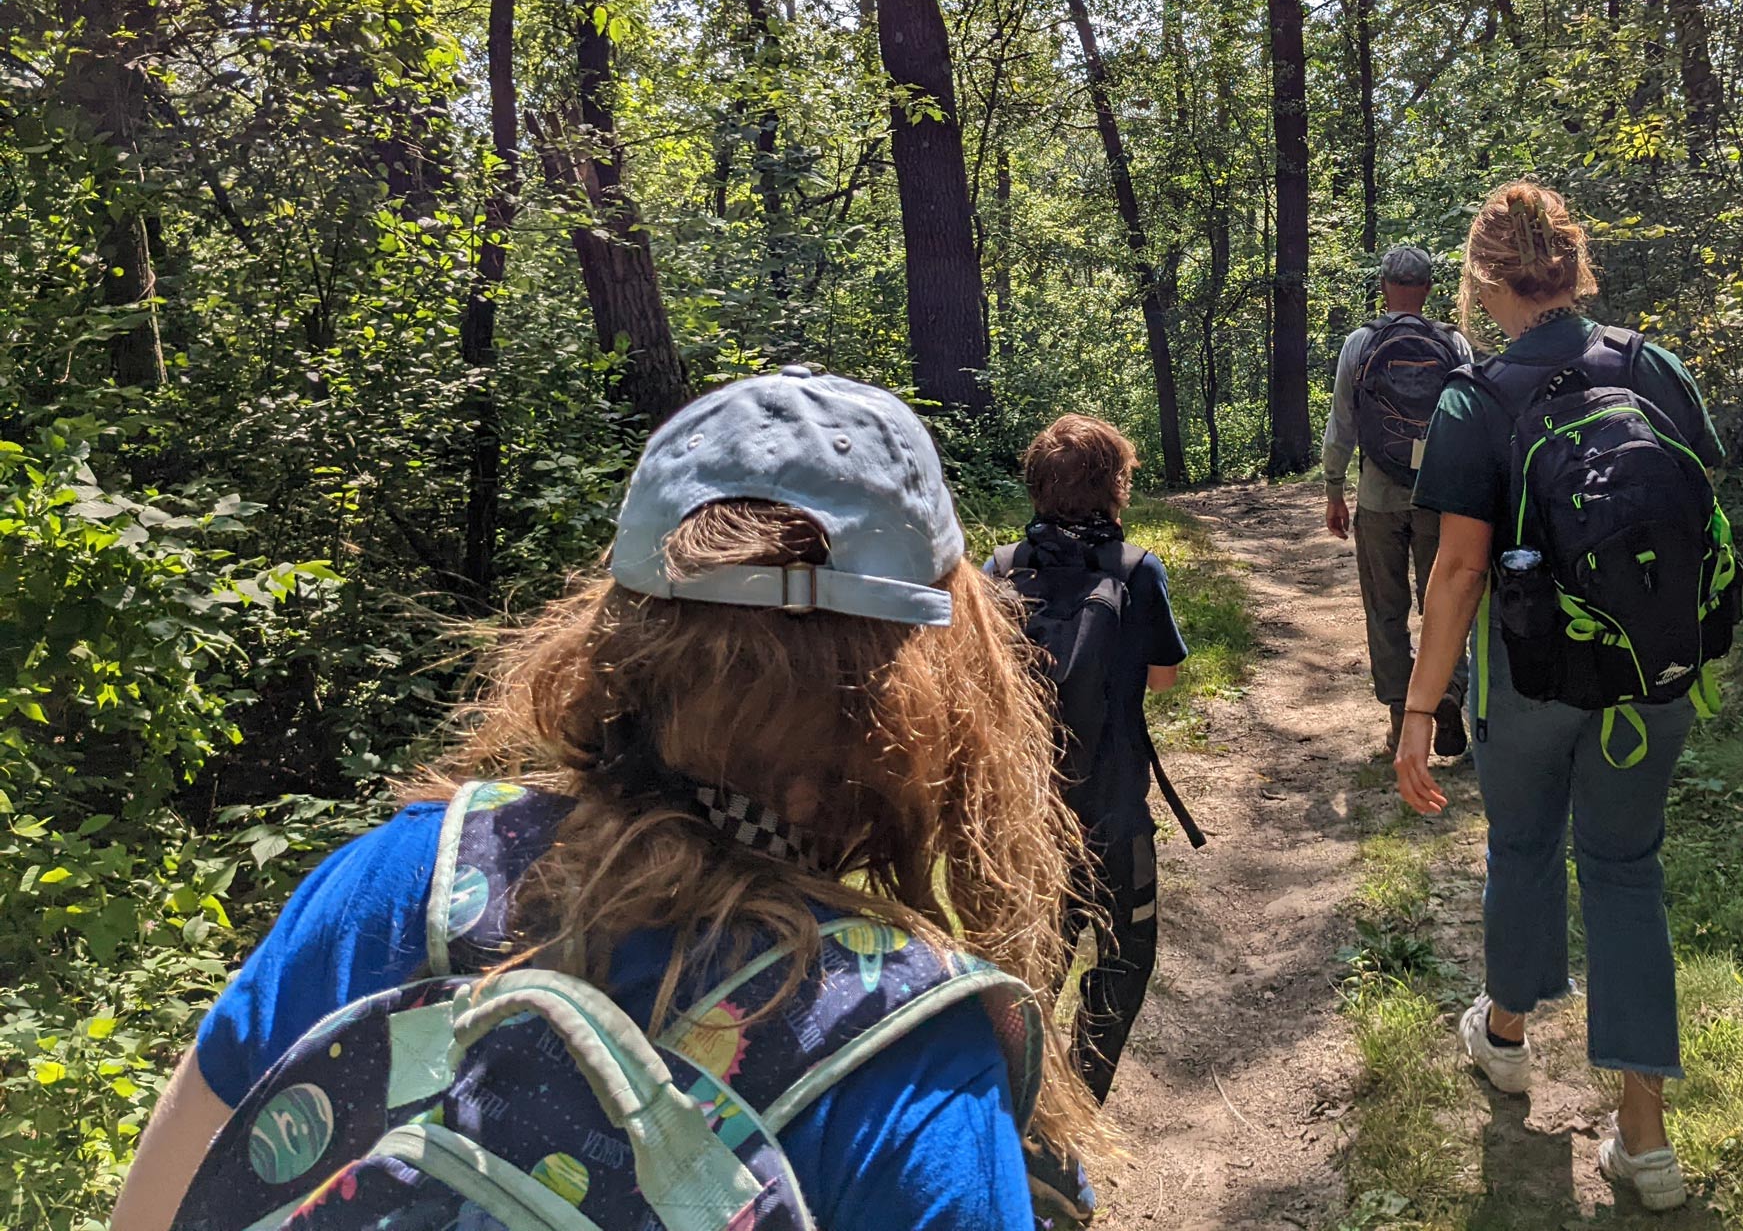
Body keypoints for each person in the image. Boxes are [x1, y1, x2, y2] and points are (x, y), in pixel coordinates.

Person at [111, 367, 1104, 1231]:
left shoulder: (402, 880)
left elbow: (156, 1205)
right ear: (923, 679)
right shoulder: (906, 1058)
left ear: (621, 632)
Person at [1394, 182, 1726, 1212]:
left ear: (1482, 277)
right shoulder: (1647, 364)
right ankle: (1643, 1139)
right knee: (1625, 871)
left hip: (1526, 677)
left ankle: (1504, 1034)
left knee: (1523, 847)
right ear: (1572, 269)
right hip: (1651, 676)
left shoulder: (1474, 396)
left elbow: (1456, 572)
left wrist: (1416, 709)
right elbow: (1698, 499)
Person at [986, 415, 1188, 1105]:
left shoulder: (1000, 570)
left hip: (1025, 809)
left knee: (1032, 956)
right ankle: (1083, 1096)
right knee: (1125, 954)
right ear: (1115, 487)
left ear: (1037, 487)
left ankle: (1024, 1101)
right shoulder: (1137, 570)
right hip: (1114, 803)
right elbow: (1163, 678)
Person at [1322, 245, 1473, 755]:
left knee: (1386, 610)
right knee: (1446, 606)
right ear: (1428, 288)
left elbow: (1342, 422)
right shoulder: (1454, 344)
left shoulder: (1360, 344)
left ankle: (1397, 715)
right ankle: (1449, 694)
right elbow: (1475, 422)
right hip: (1442, 497)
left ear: (1384, 287)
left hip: (1379, 497)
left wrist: (1333, 490)